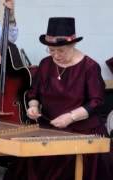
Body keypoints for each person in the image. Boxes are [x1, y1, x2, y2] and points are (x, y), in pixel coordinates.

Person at [12, 17, 113, 180]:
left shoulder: (90, 67)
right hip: (49, 128)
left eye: (61, 51)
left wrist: (70, 117)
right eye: (51, 50)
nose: (56, 55)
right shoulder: (45, 64)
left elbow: (96, 101)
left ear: (73, 45)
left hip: (82, 131)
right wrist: (33, 106)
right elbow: (33, 93)